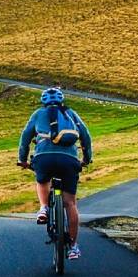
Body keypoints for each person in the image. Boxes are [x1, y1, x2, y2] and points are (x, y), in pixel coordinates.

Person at [17, 86, 93, 260]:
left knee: (42, 180)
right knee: (70, 203)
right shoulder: (71, 114)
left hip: (44, 158)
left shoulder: (38, 114)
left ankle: (43, 208)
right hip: (69, 160)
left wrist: (22, 159)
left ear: (43, 102)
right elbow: (86, 136)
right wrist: (86, 159)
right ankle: (73, 247)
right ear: (62, 100)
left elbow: (25, 138)